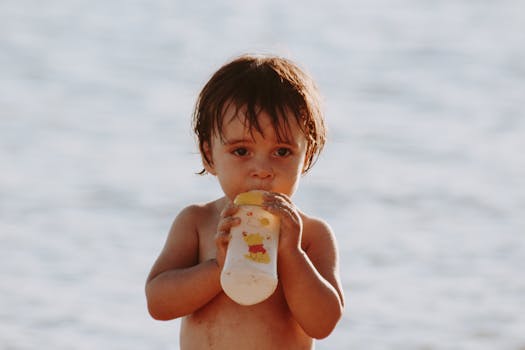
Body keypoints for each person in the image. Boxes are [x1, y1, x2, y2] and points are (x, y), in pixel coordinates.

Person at [145, 54, 344, 349]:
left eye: (282, 152)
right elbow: (159, 303)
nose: (262, 170)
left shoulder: (310, 235)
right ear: (209, 155)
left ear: (307, 156)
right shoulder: (198, 224)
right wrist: (217, 268)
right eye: (241, 152)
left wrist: (291, 254)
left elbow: (324, 322)